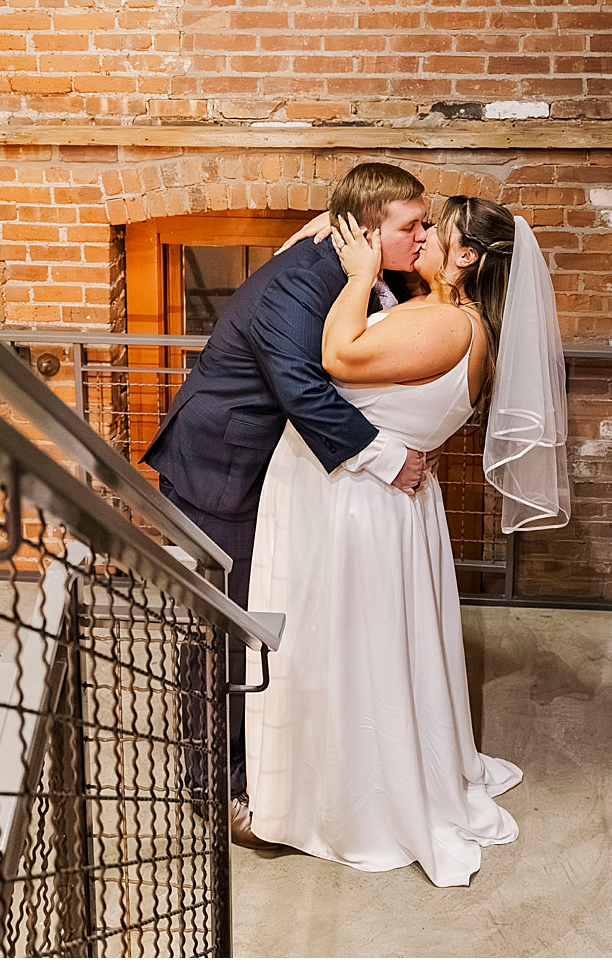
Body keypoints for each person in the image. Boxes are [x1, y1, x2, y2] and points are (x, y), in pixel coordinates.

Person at [244, 196, 570, 886]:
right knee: (363, 648)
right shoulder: (451, 316)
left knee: (348, 648)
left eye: (435, 227)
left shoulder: (448, 324)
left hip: (361, 509)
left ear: (466, 254)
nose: (421, 236)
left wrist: (361, 273)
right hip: (379, 506)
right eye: (417, 225)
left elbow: (337, 355)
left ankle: (345, 801)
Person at [142, 162, 433, 847]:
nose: (421, 235)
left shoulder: (352, 265)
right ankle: (215, 784)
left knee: (260, 619)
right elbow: (303, 391)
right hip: (220, 468)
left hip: (262, 469)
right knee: (222, 630)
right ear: (365, 232)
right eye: (411, 226)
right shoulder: (300, 286)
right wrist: (390, 461)